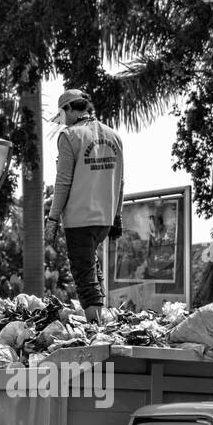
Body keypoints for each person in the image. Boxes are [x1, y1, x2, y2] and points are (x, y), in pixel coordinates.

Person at [46, 88, 125, 322]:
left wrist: (52, 219)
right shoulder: (114, 136)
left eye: (62, 113)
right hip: (104, 219)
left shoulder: (70, 136)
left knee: (84, 276)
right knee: (92, 267)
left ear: (70, 108)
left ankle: (95, 328)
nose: (62, 120)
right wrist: (117, 216)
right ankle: (101, 321)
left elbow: (62, 183)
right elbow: (120, 181)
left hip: (80, 219)